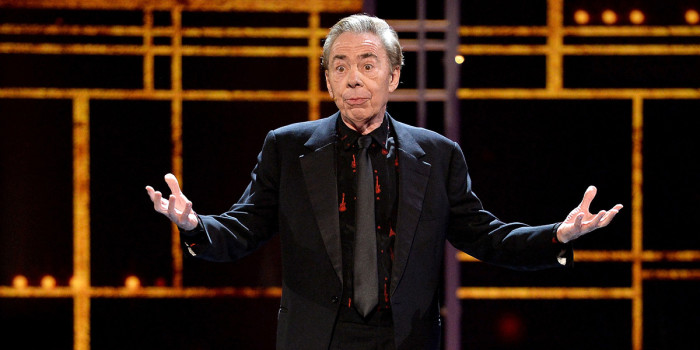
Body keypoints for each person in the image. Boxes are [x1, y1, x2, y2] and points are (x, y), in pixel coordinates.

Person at [146, 14, 623, 350]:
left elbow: (487, 236)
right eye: (340, 67)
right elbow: (242, 229)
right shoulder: (287, 148)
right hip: (317, 338)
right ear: (328, 82)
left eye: (368, 65)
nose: (354, 78)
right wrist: (195, 226)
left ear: (393, 76)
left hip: (406, 338)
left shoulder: (437, 155)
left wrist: (557, 235)